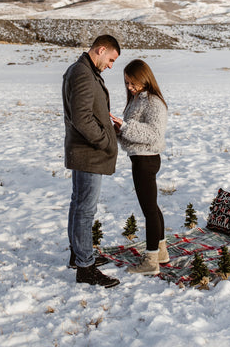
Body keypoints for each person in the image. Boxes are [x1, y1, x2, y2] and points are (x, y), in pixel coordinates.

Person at [63, 34, 121, 288]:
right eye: (110, 59)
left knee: (79, 205)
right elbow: (82, 118)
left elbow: (87, 112)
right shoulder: (83, 74)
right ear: (100, 49)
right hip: (88, 153)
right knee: (86, 210)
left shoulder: (82, 70)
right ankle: (85, 268)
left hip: (83, 151)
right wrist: (104, 140)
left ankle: (79, 255)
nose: (111, 65)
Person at [110, 59, 169, 276]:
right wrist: (118, 129)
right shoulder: (137, 100)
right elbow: (132, 132)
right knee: (152, 206)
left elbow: (153, 134)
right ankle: (161, 251)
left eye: (132, 83)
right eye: (126, 83)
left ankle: (151, 260)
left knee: (149, 210)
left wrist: (125, 126)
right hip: (139, 158)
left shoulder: (153, 102)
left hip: (146, 159)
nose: (129, 87)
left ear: (144, 78)